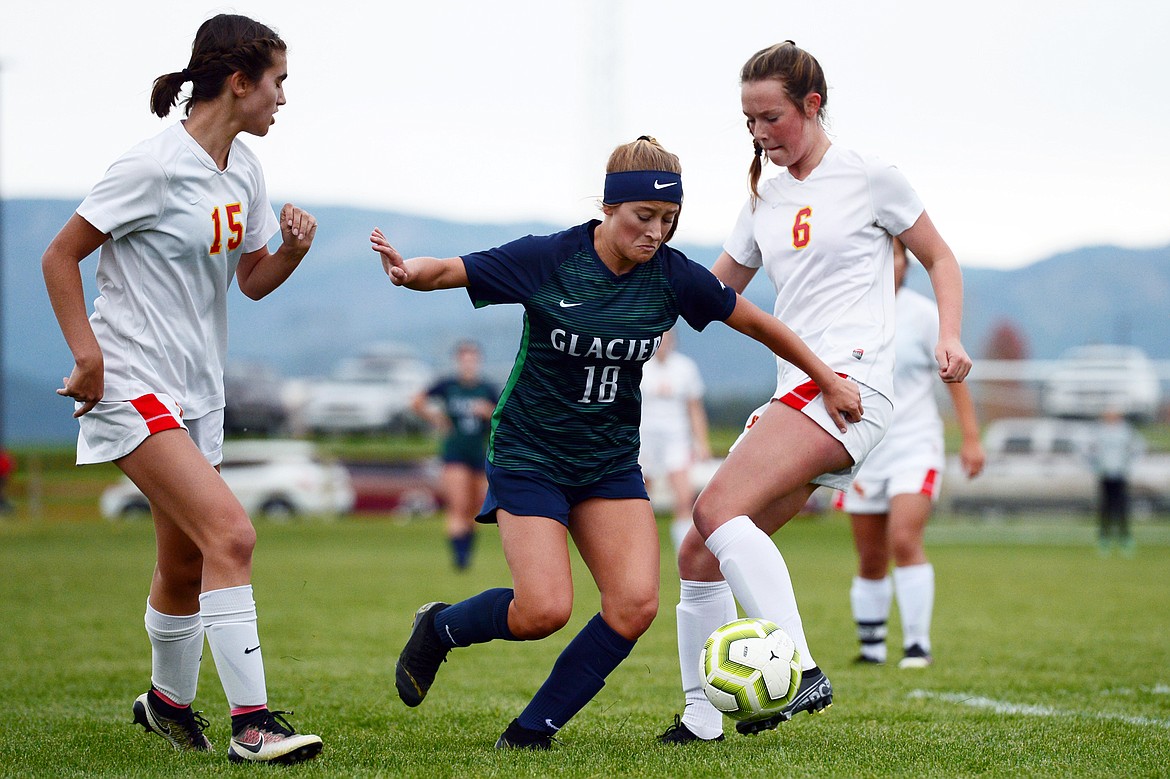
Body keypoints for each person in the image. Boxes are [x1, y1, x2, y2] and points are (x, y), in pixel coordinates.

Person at [371, 136, 862, 749]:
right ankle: (440, 628)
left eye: (669, 220)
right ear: (609, 208)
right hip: (531, 454)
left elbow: (759, 323)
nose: (655, 232)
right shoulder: (550, 257)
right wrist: (407, 272)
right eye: (643, 217)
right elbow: (450, 270)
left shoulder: (673, 276)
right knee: (542, 611)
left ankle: (531, 732)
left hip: (606, 463)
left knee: (633, 606)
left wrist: (827, 379)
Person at [660, 41, 972, 745]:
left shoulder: (868, 176)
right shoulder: (762, 196)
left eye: (770, 116)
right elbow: (715, 294)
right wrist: (633, 289)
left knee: (714, 506)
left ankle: (796, 667)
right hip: (798, 390)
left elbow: (940, 257)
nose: (759, 132)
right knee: (698, 551)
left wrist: (949, 333)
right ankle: (702, 716)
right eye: (747, 121)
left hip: (851, 386)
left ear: (812, 105)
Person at [40, 14, 322, 765]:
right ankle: (254, 724)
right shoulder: (154, 164)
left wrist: (291, 250)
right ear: (239, 82)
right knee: (233, 533)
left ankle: (166, 705)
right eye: (279, 82)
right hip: (133, 381)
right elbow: (59, 256)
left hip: (200, 393)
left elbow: (253, 282)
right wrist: (87, 356)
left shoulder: (245, 169)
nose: (283, 100)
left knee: (187, 562)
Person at [841, 238, 985, 669]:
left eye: (897, 257)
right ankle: (872, 648)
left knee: (904, 539)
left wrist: (972, 437)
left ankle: (917, 645)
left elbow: (954, 378)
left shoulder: (925, 316)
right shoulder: (850, 316)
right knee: (869, 555)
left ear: (906, 263)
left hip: (914, 445)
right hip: (865, 450)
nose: (890, 266)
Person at [412, 340, 500, 570]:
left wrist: (487, 412)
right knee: (458, 504)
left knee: (475, 507)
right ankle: (460, 560)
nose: (468, 364)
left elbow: (504, 416)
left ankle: (467, 554)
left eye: (473, 359)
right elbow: (417, 402)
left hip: (478, 452)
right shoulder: (448, 385)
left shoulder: (486, 389)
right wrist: (437, 419)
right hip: (455, 453)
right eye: (464, 360)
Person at [638, 328, 711, 551]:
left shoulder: (685, 368)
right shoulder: (640, 366)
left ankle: (684, 550)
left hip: (676, 438)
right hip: (644, 438)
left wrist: (702, 443)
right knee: (640, 496)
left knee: (683, 497)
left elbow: (694, 408)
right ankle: (640, 546)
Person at [1088, 407, 1144, 556]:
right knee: (1105, 507)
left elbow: (1138, 448)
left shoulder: (1125, 431)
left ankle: (1125, 537)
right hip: (1105, 474)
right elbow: (1089, 449)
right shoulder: (1099, 430)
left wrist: (1129, 465)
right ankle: (1104, 537)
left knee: (1122, 507)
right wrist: (1094, 466)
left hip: (1120, 474)